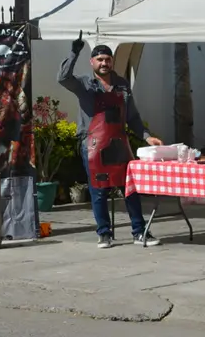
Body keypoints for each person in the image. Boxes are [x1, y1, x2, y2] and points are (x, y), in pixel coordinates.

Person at [58, 31, 163, 249]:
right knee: (98, 191)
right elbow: (63, 78)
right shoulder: (84, 85)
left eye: (107, 59)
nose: (104, 63)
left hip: (118, 143)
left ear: (112, 61)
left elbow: (132, 116)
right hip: (92, 146)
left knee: (130, 188)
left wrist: (146, 136)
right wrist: (73, 52)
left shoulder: (122, 85)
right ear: (92, 62)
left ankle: (139, 231)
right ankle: (104, 234)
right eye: (100, 60)